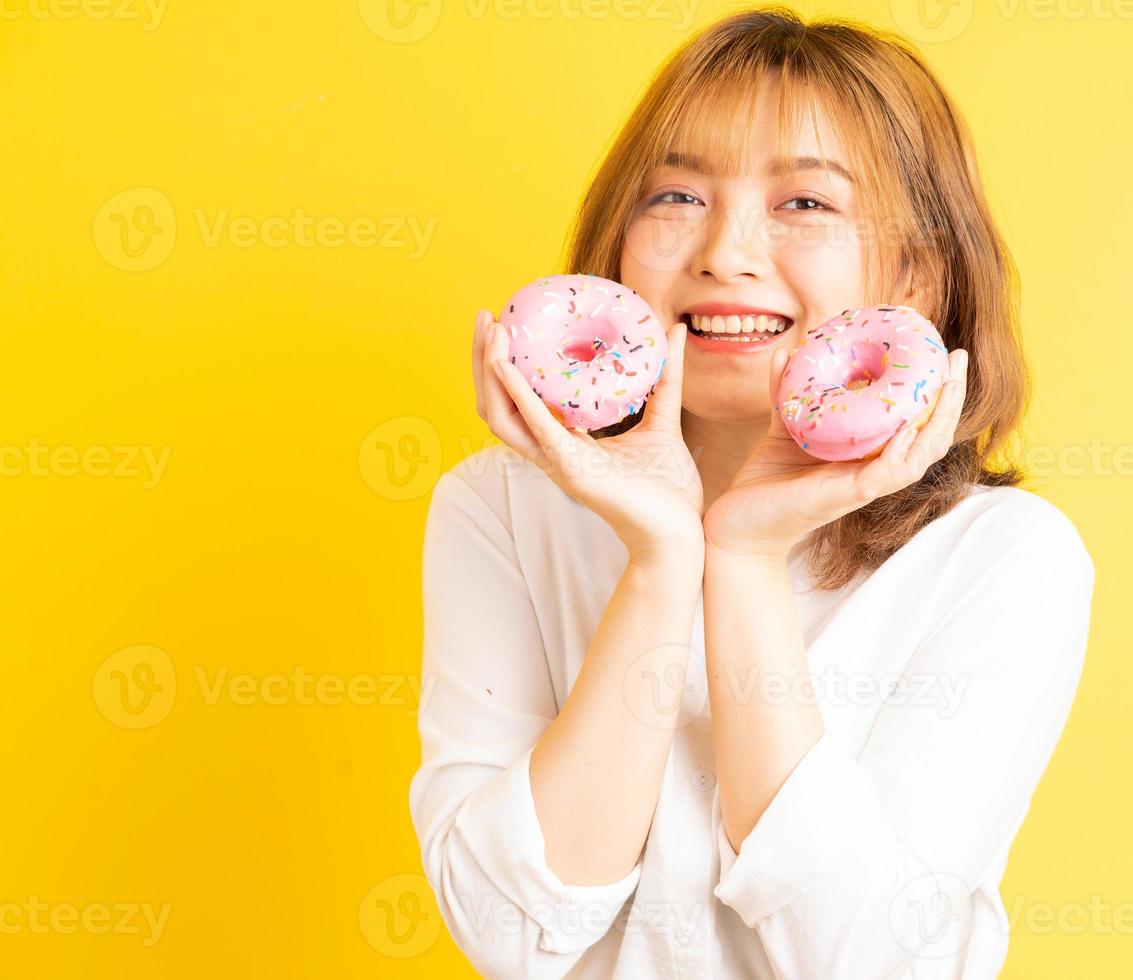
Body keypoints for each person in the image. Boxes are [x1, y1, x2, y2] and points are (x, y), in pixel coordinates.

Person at [408, 7, 1095, 978]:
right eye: (676, 194)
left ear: (918, 269)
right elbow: (512, 935)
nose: (724, 251)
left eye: (806, 203)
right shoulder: (502, 509)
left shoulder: (1001, 554)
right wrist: (661, 562)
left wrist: (742, 557)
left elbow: (869, 963)